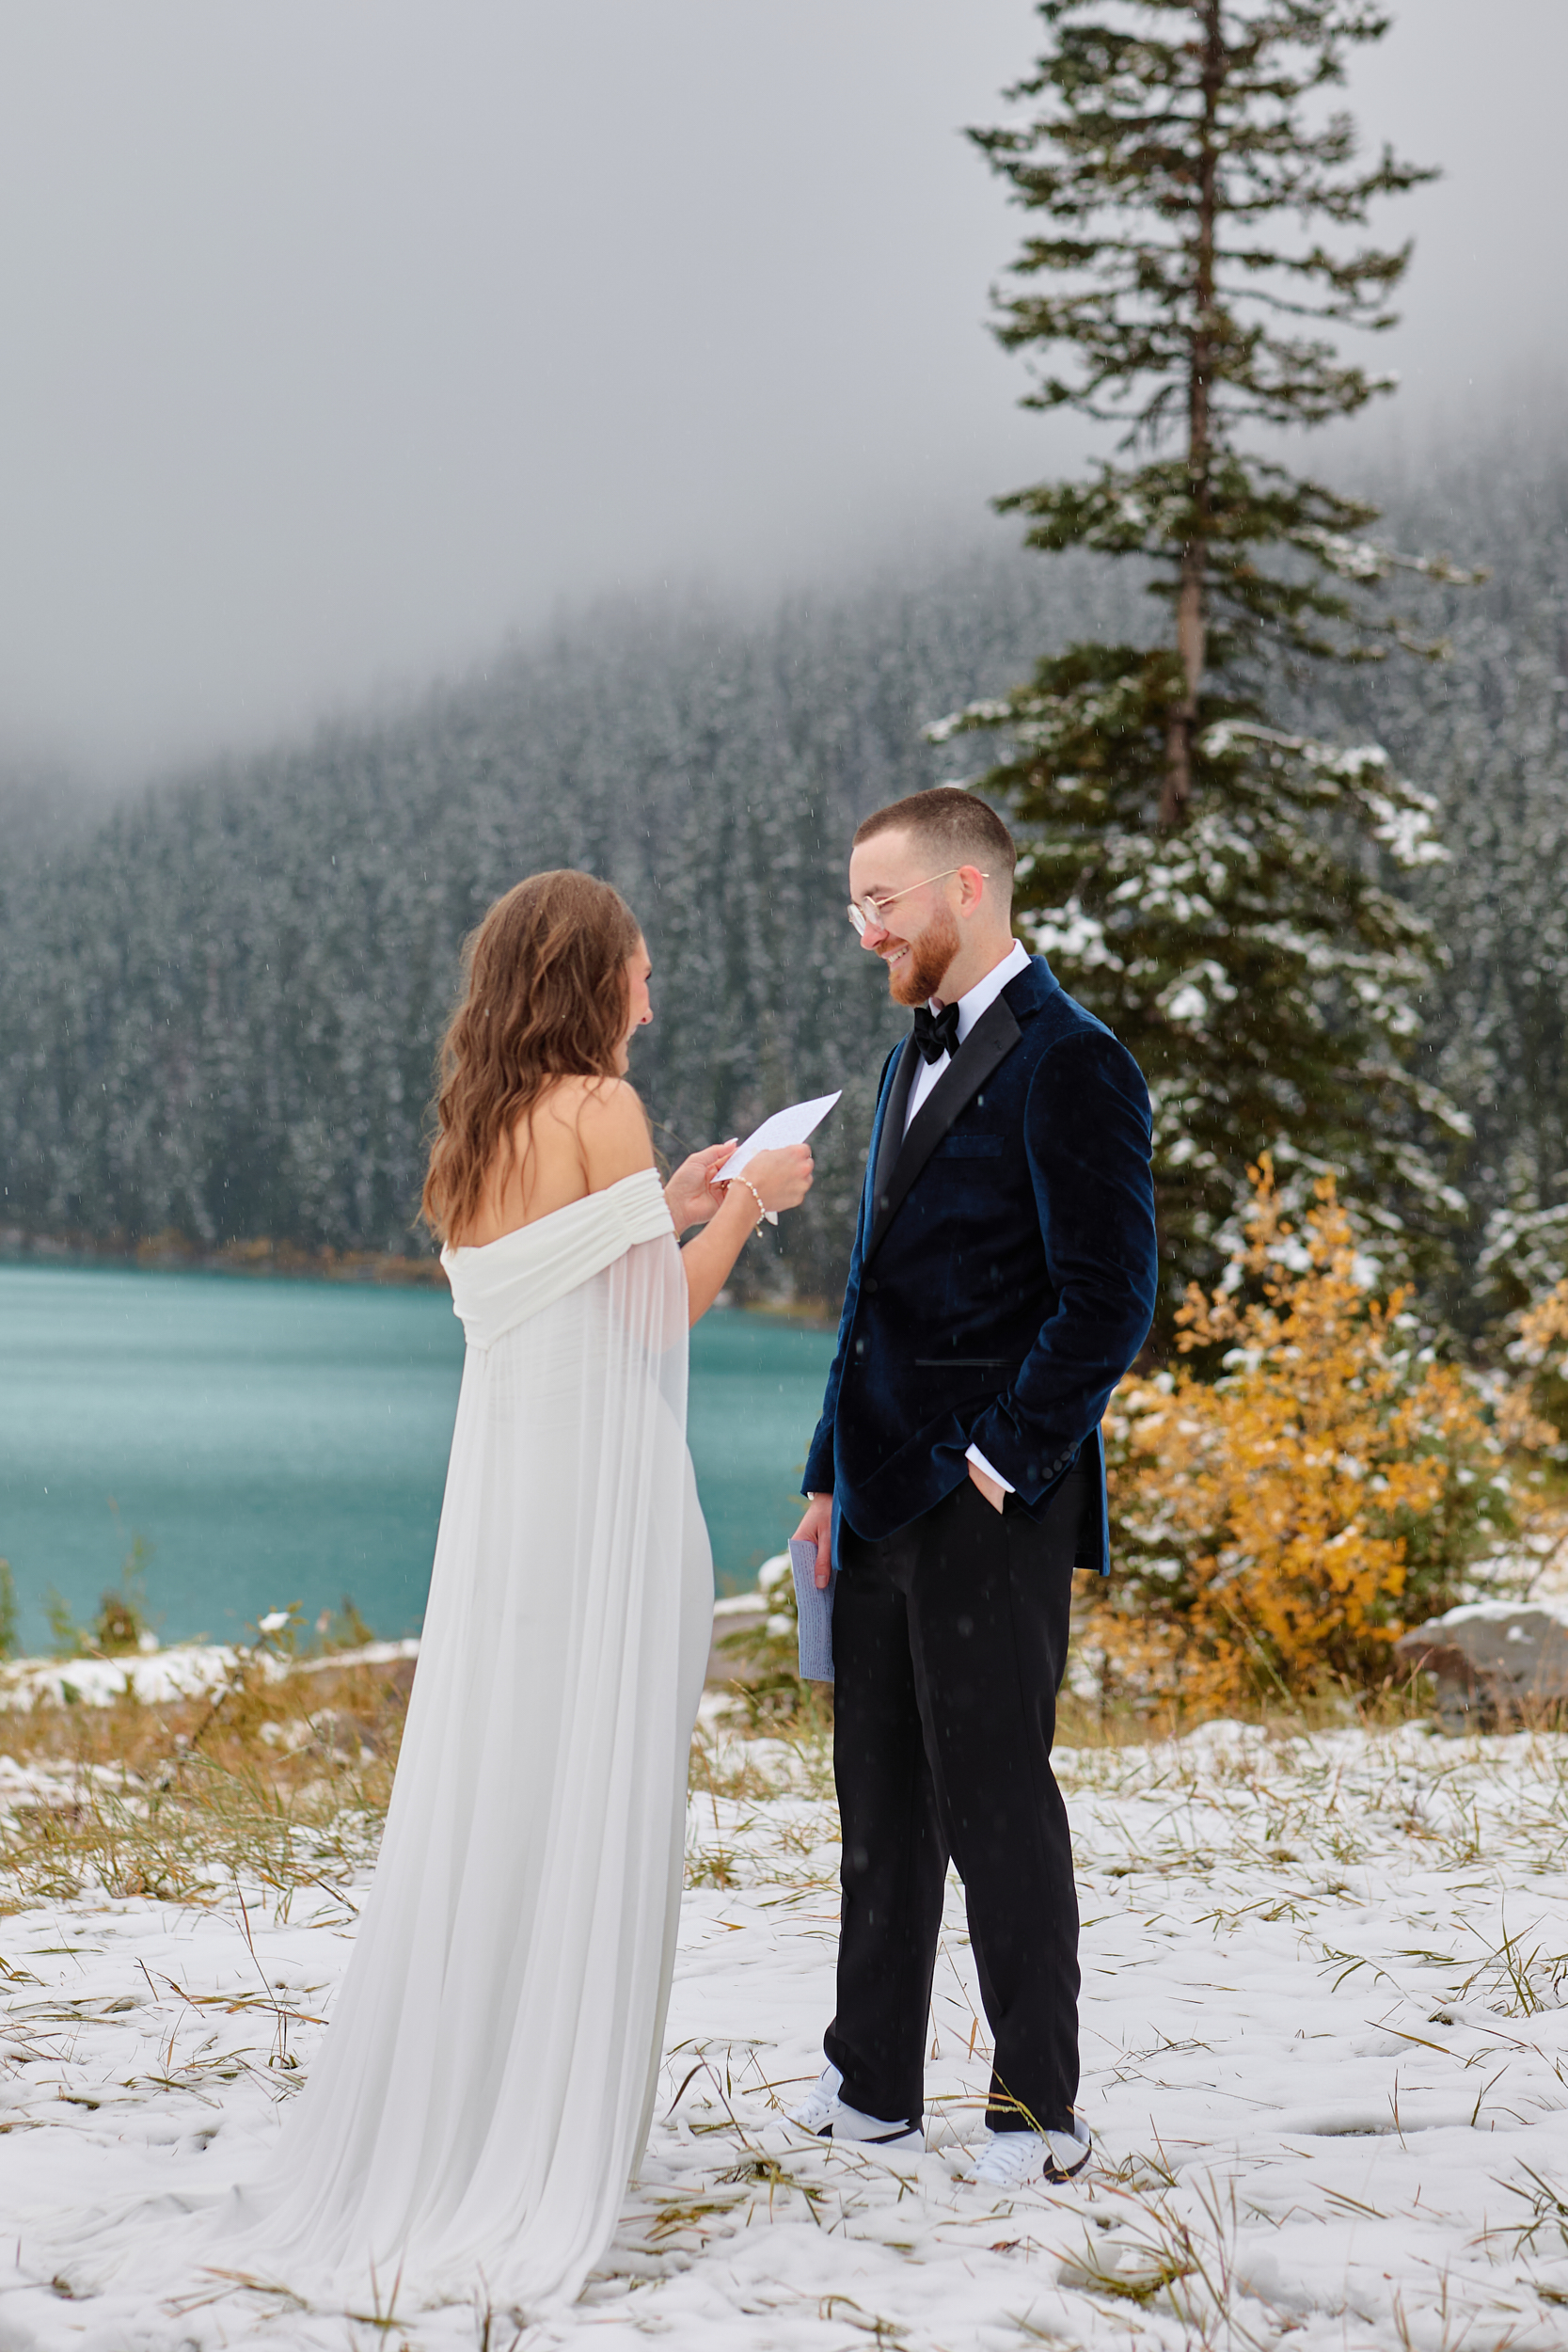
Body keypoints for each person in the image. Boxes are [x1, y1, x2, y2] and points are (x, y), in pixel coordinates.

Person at [209, 868, 814, 2310]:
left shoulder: (480, 1129)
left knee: (504, 1790)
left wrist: (665, 1204)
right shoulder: (601, 1107)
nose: (652, 999)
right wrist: (751, 1209)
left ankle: (473, 2098)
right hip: (605, 1502)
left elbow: (565, 1274)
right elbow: (651, 1312)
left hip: (509, 1512)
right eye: (642, 973)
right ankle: (554, 2131)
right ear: (592, 979)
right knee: (593, 1795)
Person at [790, 789, 1157, 2189]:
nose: (864, 930)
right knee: (877, 1809)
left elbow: (1111, 1297)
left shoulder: (1076, 1060)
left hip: (994, 1508)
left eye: (880, 904)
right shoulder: (899, 1068)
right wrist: (827, 1474)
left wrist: (1003, 1461)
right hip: (876, 1502)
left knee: (1000, 1804)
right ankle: (871, 2083)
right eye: (853, 908)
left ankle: (1036, 2108)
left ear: (967, 892)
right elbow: (868, 1299)